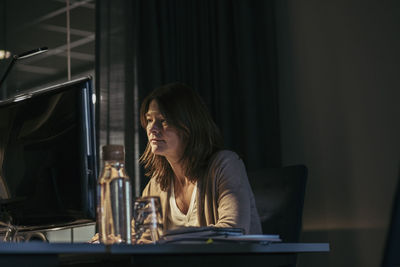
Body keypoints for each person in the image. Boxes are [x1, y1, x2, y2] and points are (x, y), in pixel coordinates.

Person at [139, 82, 261, 235]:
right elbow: (137, 234)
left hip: (225, 259)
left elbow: (233, 231)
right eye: (149, 120)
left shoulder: (226, 165)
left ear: (189, 126)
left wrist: (171, 242)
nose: (152, 129)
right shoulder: (156, 184)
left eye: (163, 120)